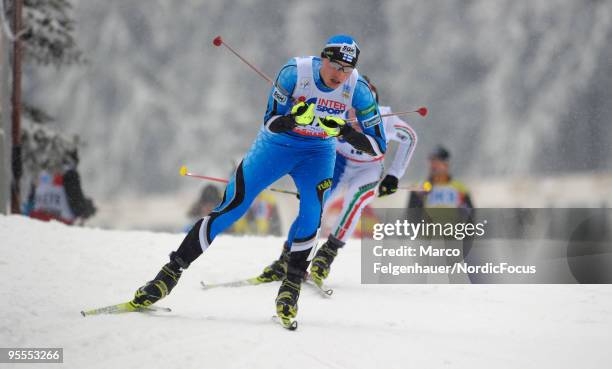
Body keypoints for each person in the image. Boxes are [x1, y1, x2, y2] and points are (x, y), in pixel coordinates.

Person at [130, 35, 386, 326]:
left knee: (312, 213)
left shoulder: (359, 89)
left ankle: (290, 287)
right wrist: (293, 119)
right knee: (232, 207)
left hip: (318, 153)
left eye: (347, 69)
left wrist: (345, 131)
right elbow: (270, 122)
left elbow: (378, 147)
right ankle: (169, 273)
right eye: (336, 66)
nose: (340, 75)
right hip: (276, 147)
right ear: (323, 58)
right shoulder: (295, 73)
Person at [258, 76, 418, 287]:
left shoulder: (387, 119)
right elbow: (309, 135)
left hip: (368, 167)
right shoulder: (335, 109)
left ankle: (327, 253)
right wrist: (308, 180)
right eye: (356, 108)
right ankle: (286, 258)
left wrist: (394, 174)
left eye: (367, 109)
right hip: (339, 161)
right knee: (314, 202)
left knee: (355, 199)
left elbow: (410, 137)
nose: (360, 116)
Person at [407, 146, 473, 209]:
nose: (433, 165)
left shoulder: (460, 188)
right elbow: (412, 215)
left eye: (437, 162)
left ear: (446, 164)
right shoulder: (419, 188)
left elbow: (469, 215)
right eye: (431, 161)